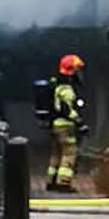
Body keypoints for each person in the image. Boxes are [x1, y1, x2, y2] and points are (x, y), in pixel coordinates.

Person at [46, 55, 87, 192]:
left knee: (56, 153)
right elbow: (66, 109)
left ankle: (51, 181)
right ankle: (63, 183)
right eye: (78, 70)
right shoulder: (66, 89)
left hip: (55, 125)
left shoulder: (56, 85)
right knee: (69, 153)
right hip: (65, 125)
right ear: (72, 71)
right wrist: (79, 121)